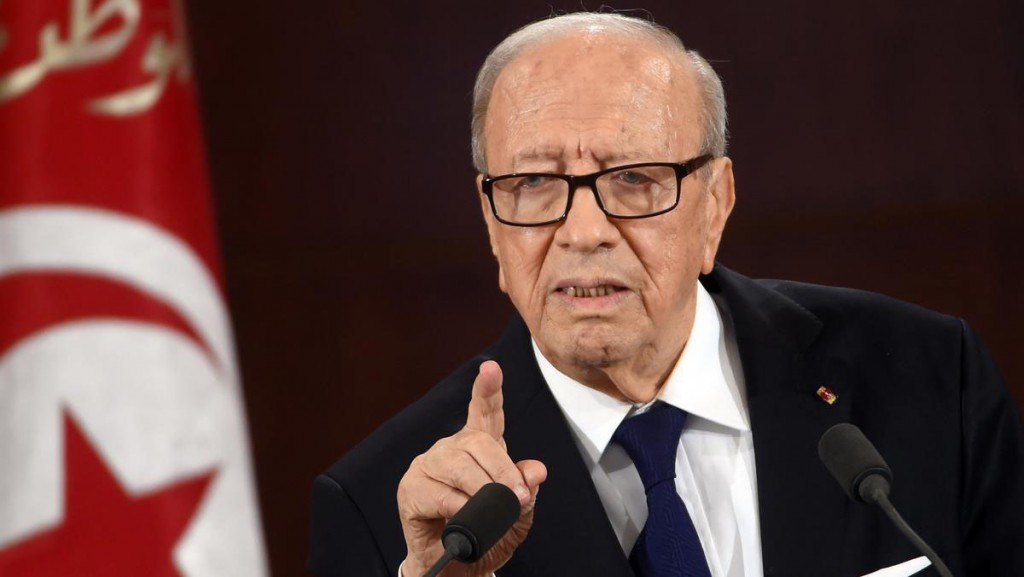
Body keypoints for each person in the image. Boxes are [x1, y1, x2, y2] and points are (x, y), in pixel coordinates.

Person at [307, 12, 1024, 577]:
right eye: (533, 184)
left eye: (634, 179)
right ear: (492, 225)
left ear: (715, 205)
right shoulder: (392, 514)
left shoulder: (933, 381)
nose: (584, 231)